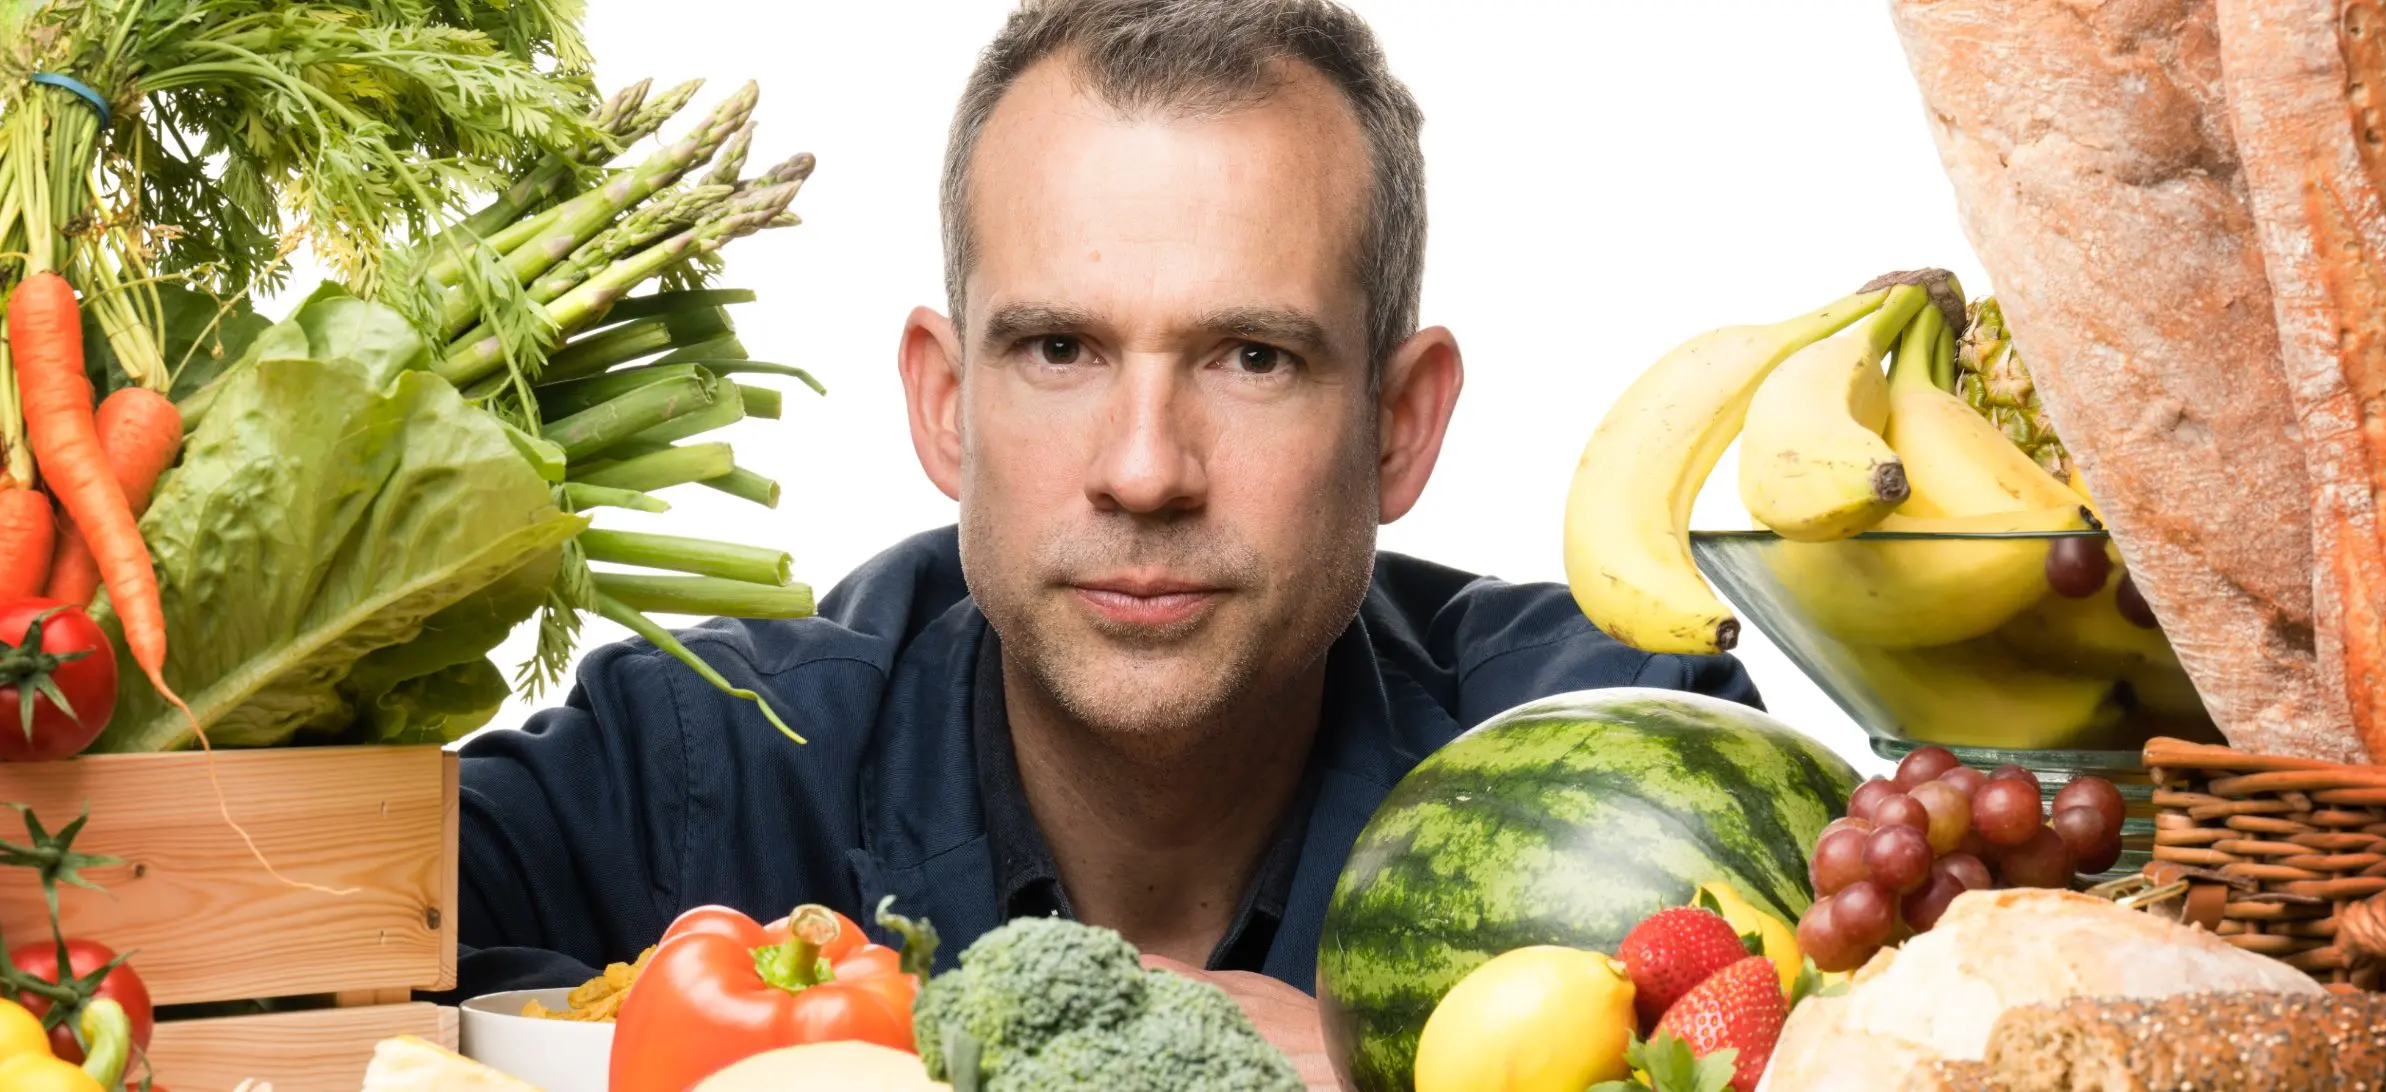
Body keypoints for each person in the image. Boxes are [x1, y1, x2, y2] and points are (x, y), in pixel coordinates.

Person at [446, 0, 1760, 1080]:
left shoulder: (1629, 758)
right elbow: (340, 975)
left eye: (1253, 357)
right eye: (1061, 348)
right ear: (945, 404)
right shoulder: (694, 758)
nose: (1144, 471)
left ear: (1398, 426)